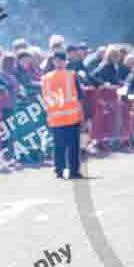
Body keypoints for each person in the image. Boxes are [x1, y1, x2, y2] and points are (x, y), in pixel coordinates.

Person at [41, 50, 85, 180]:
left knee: (58, 146)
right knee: (73, 146)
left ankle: (59, 170)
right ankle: (74, 171)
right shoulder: (72, 75)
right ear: (66, 61)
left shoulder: (46, 78)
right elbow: (80, 94)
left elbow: (44, 98)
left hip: (56, 117)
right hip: (72, 116)